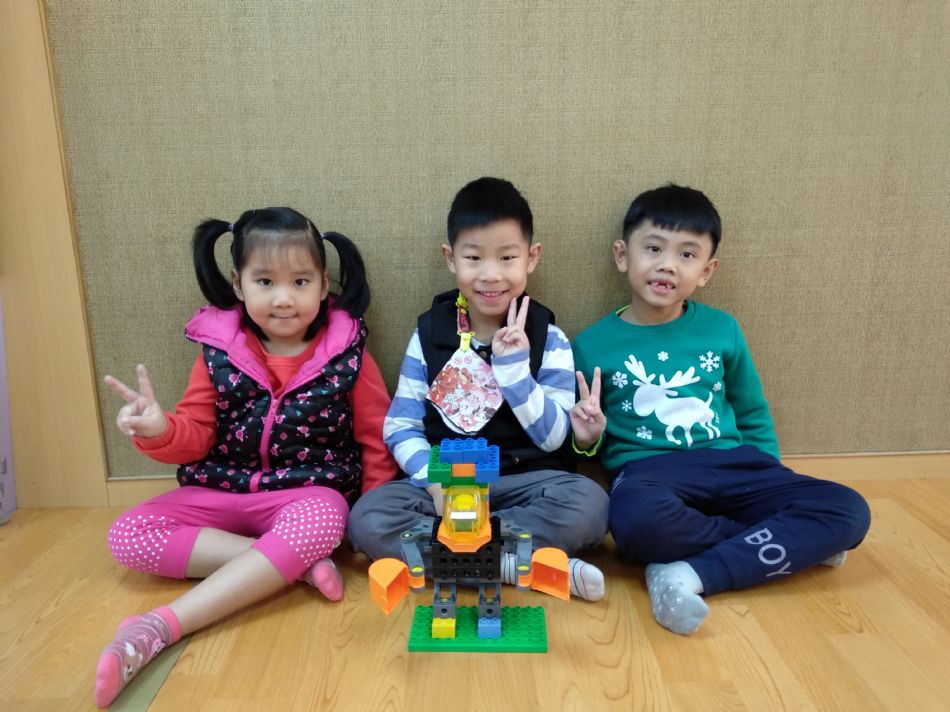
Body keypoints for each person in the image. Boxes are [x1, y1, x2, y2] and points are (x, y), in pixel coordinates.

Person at [95, 207, 396, 707]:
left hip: (305, 496)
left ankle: (160, 627)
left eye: (300, 281)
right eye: (265, 281)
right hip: (218, 491)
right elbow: (194, 437)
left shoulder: (347, 352)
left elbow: (375, 438)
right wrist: (158, 428)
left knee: (326, 518)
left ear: (324, 285)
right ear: (238, 284)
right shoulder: (217, 350)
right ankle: (293, 565)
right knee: (126, 535)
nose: (283, 298)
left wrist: (372, 516)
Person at [571, 184, 871, 634]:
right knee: (635, 522)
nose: (668, 265)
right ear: (622, 255)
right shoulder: (590, 345)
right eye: (653, 248)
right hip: (650, 474)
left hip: (738, 466)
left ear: (707, 271)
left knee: (848, 509)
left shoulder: (722, 329)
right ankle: (785, 543)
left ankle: (687, 571)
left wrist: (768, 470)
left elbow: (750, 410)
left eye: (687, 255)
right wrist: (588, 441)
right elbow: (584, 444)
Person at [347, 177, 610, 602]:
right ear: (450, 259)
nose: (490, 274)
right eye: (474, 258)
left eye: (507, 257)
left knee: (590, 505)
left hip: (526, 483)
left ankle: (465, 559)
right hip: (446, 487)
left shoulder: (551, 339)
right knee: (368, 517)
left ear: (531, 257)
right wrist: (436, 485)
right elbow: (400, 426)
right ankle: (518, 563)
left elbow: (553, 437)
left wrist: (514, 372)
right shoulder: (429, 334)